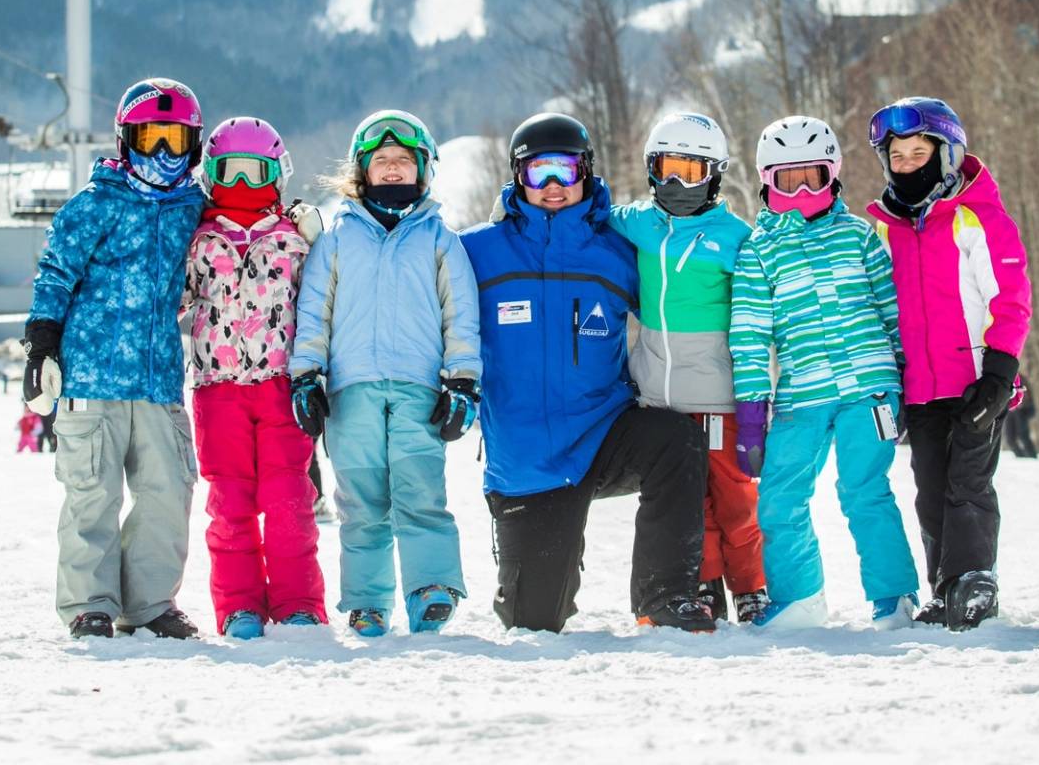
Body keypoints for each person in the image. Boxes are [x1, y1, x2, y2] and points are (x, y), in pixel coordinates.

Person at [462, 113, 714, 633]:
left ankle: (665, 597)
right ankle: (548, 557)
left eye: (566, 169)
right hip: (528, 458)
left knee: (678, 440)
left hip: (604, 431)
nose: (554, 185)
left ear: (587, 171)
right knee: (533, 624)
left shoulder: (618, 250)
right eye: (539, 172)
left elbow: (684, 301)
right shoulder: (478, 252)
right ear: (518, 177)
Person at [22, 77, 207, 641]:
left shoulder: (194, 208)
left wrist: (291, 216)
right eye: (150, 138)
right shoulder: (94, 204)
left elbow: (240, 227)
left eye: (175, 140)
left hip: (158, 382)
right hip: (92, 377)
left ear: (194, 147)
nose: (163, 152)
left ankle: (150, 604)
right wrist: (41, 345)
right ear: (126, 140)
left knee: (167, 493)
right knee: (93, 495)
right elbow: (56, 273)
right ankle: (89, 604)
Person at [290, 109, 482, 638]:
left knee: (420, 491)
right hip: (351, 392)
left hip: (419, 389)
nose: (392, 168)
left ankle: (431, 588)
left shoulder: (440, 239)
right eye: (381, 161)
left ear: (423, 169)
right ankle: (369, 602)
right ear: (362, 170)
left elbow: (461, 315)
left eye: (403, 159)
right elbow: (314, 313)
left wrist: (462, 380)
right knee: (362, 502)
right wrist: (306, 375)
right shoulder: (336, 239)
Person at [730, 116, 922, 631]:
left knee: (864, 490)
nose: (801, 192)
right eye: (787, 180)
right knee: (779, 496)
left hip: (871, 387)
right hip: (802, 393)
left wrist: (908, 382)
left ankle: (894, 597)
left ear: (832, 174)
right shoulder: (759, 251)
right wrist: (751, 414)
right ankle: (800, 599)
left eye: (812, 177)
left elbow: (893, 311)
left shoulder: (858, 236)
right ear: (766, 181)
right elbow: (749, 338)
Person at [864, 97, 1031, 632]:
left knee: (968, 484)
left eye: (919, 153)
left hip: (977, 382)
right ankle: (946, 588)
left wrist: (999, 374)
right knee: (931, 490)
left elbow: (1010, 298)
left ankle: (975, 580)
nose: (907, 164)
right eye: (897, 156)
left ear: (948, 155)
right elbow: (879, 312)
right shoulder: (885, 229)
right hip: (919, 388)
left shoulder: (977, 217)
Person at [610, 111, 764, 625]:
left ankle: (751, 586)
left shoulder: (736, 238)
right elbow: (590, 210)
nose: (677, 184)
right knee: (690, 506)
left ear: (714, 174)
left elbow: (759, 315)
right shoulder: (640, 223)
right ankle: (703, 583)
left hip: (719, 397)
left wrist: (757, 398)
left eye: (692, 171)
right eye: (667, 169)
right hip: (661, 400)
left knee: (735, 500)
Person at [181, 116, 327, 638]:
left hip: (281, 385)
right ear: (211, 174)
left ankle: (298, 602)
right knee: (229, 503)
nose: (243, 183)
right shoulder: (198, 240)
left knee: (289, 500)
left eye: (255, 171)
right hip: (217, 389)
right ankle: (239, 604)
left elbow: (323, 306)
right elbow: (172, 300)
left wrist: (320, 238)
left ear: (277, 174)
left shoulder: (294, 240)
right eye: (231, 171)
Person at [1005, 377, 1039, 459]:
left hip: (1020, 411)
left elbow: (1026, 393)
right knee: (1010, 438)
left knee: (1023, 436)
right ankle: (1021, 457)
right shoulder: (1006, 375)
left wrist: (1020, 403)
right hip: (1009, 411)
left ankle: (1032, 456)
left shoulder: (1020, 378)